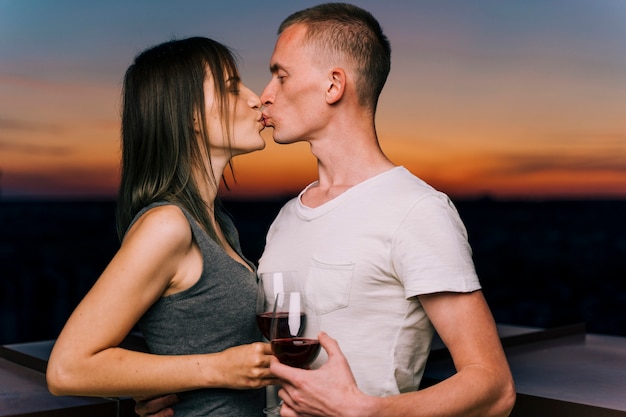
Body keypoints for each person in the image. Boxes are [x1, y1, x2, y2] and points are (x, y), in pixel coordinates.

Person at [135, 3, 516, 417]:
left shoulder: (417, 210)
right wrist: (166, 386)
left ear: (334, 85)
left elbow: (494, 387)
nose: (264, 95)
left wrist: (367, 412)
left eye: (281, 76)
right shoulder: (286, 217)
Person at [46, 36, 276, 417]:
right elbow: (67, 368)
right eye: (233, 89)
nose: (255, 99)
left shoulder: (217, 225)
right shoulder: (167, 225)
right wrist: (219, 368)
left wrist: (151, 380)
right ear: (190, 116)